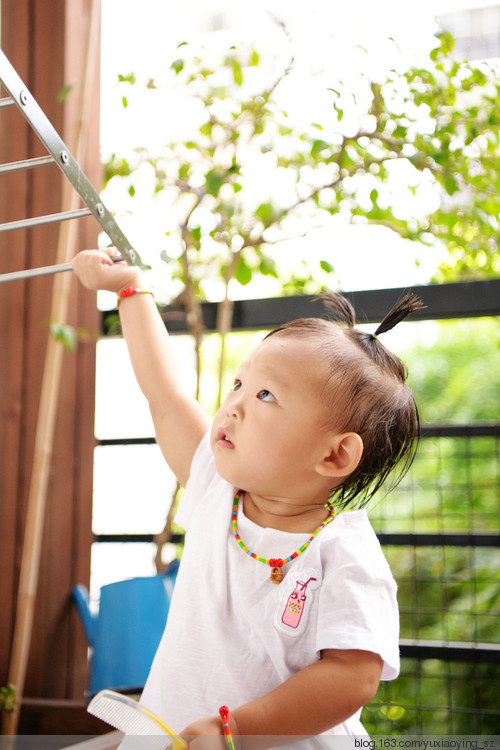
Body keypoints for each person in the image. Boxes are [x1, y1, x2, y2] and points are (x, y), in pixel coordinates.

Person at [73, 249, 423, 748]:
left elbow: (353, 677)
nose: (232, 404)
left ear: (334, 455)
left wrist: (238, 729)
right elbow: (166, 394)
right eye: (239, 383)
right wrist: (130, 289)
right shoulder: (220, 492)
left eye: (265, 396)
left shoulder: (344, 552)